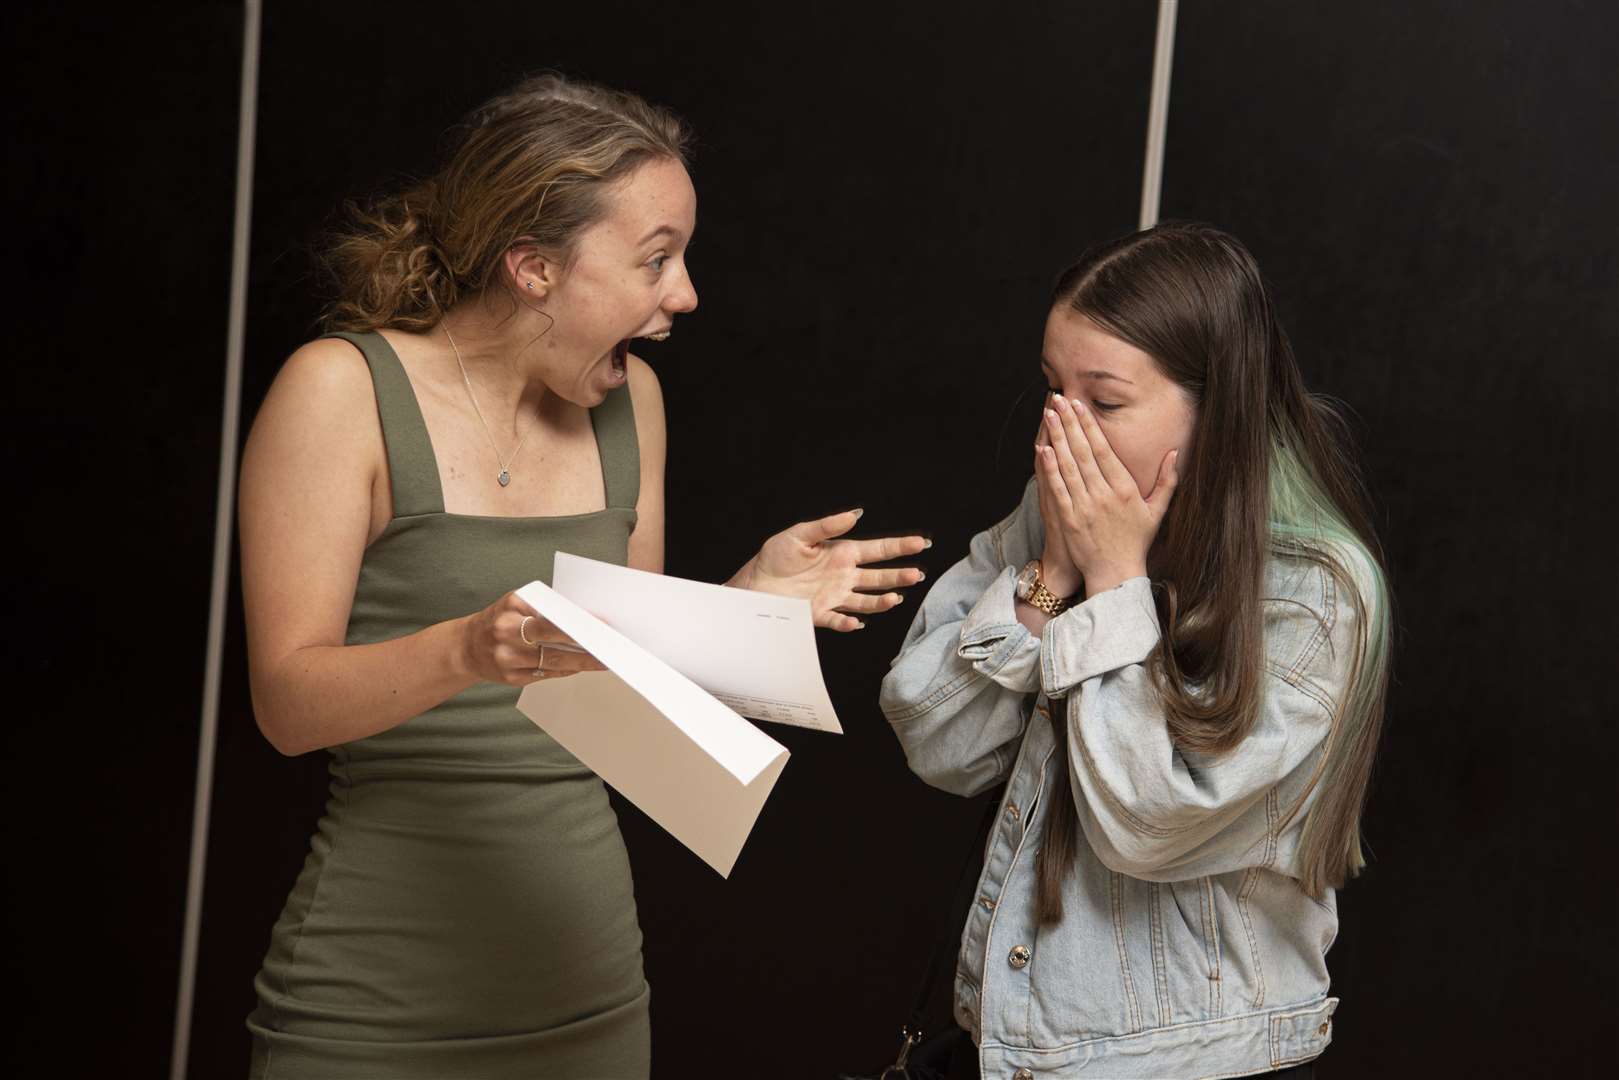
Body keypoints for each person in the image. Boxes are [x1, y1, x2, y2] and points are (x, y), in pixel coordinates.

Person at [236, 74, 925, 1079]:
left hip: (586, 1001)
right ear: (533, 269)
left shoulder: (627, 401)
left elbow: (615, 702)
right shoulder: (341, 391)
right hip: (372, 1006)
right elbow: (287, 707)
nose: (684, 294)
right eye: (655, 260)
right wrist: (465, 648)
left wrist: (743, 603)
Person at [880, 223, 1392, 1079]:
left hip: (1188, 1060)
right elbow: (937, 743)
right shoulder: (1055, 515)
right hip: (1014, 1046)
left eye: (1105, 401)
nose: (1062, 431)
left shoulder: (1315, 588)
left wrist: (1114, 581)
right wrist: (1051, 574)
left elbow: (1146, 825)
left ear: (1216, 405)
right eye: (1052, 389)